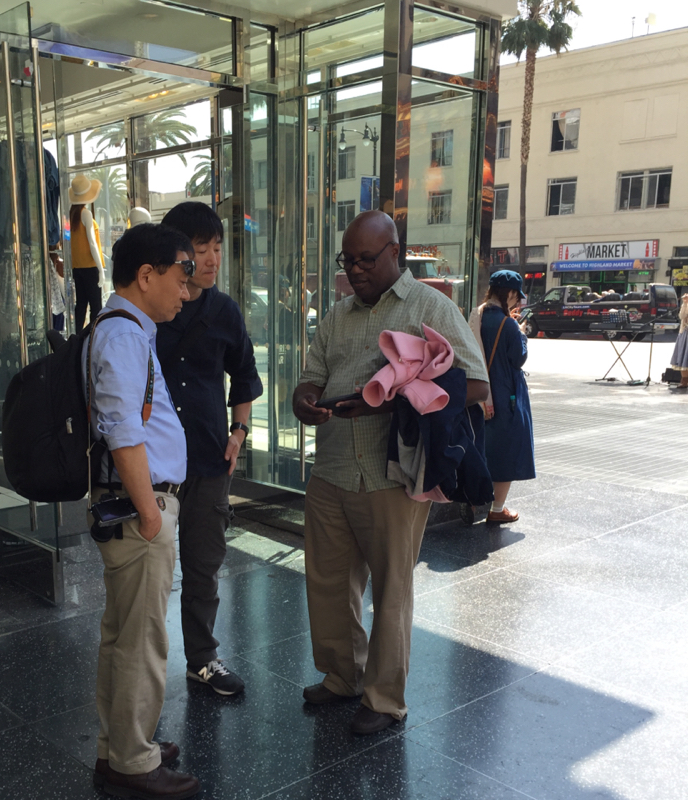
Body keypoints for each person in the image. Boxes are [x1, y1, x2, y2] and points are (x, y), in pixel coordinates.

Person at [292, 210, 488, 735]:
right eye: (347, 261)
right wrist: (304, 399)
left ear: (395, 252)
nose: (354, 270)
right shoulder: (336, 315)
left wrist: (391, 399)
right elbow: (312, 376)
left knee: (392, 590)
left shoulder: (431, 307)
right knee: (329, 584)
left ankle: (384, 699)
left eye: (366, 259)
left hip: (392, 475)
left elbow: (475, 384)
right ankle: (343, 676)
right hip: (332, 468)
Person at [86, 223, 200, 799]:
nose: (187, 290)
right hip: (141, 509)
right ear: (147, 275)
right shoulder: (124, 337)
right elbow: (123, 431)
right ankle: (134, 760)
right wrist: (151, 515)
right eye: (181, 276)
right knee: (142, 639)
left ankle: (118, 746)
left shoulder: (120, 330)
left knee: (121, 633)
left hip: (134, 506)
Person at [157, 202, 262, 696]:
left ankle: (201, 659)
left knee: (204, 566)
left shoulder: (224, 311)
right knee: (150, 572)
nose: (213, 259)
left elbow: (244, 376)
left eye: (218, 248)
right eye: (202, 249)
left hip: (208, 457)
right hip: (153, 465)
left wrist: (238, 432)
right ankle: (145, 667)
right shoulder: (152, 308)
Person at [477, 270, 536, 523]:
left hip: (479, 394)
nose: (516, 301)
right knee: (506, 451)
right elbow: (518, 358)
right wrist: (521, 333)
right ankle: (497, 509)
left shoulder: (477, 316)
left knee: (482, 449)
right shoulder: (508, 324)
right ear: (509, 293)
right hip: (505, 395)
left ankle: (473, 503)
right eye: (516, 296)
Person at [69, 173, 105, 332]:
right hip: (90, 266)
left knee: (81, 305)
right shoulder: (86, 213)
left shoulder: (71, 215)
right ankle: (93, 337)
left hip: (77, 267)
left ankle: (78, 337)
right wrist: (100, 269)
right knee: (96, 306)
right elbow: (92, 242)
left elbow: (68, 241)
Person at [670, 292, 688, 389]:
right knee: (683, 357)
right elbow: (681, 316)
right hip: (685, 332)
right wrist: (685, 303)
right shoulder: (686, 304)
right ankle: (684, 381)